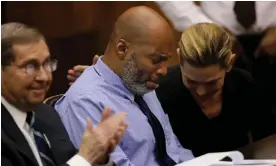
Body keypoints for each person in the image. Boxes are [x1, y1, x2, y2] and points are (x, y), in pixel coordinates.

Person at [67, 23, 276, 157]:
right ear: (180, 59)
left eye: (212, 83)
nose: (201, 92)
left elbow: (268, 142)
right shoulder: (157, 88)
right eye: (192, 81)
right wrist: (103, 77)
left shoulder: (244, 84)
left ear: (229, 65)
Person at [55, 6, 194, 166]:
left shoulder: (141, 83)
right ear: (122, 49)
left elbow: (173, 150)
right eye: (156, 60)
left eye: (165, 60)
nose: (163, 70)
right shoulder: (84, 103)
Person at [1, 22, 128, 166]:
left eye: (47, 64)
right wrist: (85, 158)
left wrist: (100, 158)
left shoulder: (46, 115)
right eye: (30, 66)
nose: (44, 77)